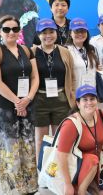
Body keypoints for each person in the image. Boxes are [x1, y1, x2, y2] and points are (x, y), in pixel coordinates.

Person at [0, 15, 39, 194]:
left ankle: (30, 187)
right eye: (7, 29)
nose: (11, 32)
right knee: (10, 148)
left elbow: (35, 77)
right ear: (0, 31)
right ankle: (15, 190)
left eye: (15, 29)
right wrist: (17, 101)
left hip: (27, 105)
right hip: (5, 108)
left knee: (28, 145)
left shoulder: (27, 50)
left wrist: (28, 99)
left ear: (19, 31)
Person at [57, 85, 103, 195]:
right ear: (78, 103)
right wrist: (67, 184)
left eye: (92, 99)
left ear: (97, 101)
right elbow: (61, 155)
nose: (89, 103)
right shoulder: (71, 124)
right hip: (78, 168)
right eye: (85, 99)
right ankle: (81, 191)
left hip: (100, 165)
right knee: (92, 159)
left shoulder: (102, 115)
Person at [32, 18, 76, 162]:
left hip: (61, 99)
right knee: (41, 139)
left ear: (56, 33)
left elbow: (72, 77)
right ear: (38, 35)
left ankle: (57, 171)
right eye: (44, 33)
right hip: (39, 100)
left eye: (51, 31)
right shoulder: (31, 52)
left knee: (60, 138)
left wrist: (73, 98)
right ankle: (42, 171)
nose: (48, 35)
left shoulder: (65, 52)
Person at [66, 18, 99, 89]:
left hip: (91, 92)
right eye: (76, 31)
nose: (80, 34)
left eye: (83, 31)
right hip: (75, 92)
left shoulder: (91, 49)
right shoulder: (66, 50)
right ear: (70, 33)